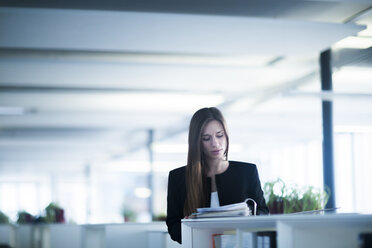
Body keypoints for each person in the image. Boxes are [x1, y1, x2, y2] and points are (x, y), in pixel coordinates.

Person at [166, 107, 269, 244]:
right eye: (206, 138)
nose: (215, 143)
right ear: (197, 142)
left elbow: (263, 212)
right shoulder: (178, 178)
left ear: (226, 135)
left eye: (219, 135)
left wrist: (248, 215)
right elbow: (173, 226)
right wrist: (187, 226)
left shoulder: (247, 172)